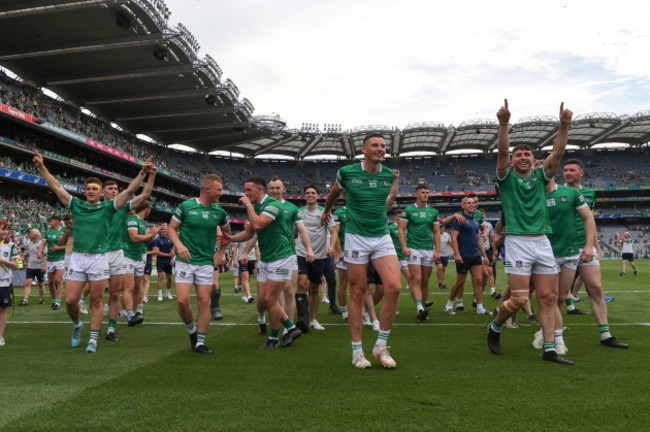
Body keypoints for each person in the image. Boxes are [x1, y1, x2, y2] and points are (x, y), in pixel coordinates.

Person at [33, 151, 156, 354]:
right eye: (88, 188)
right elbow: (56, 186)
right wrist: (41, 167)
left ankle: (93, 339)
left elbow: (131, 191)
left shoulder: (110, 207)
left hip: (99, 258)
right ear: (85, 191)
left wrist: (143, 172)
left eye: (94, 189)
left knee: (97, 300)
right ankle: (77, 325)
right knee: (71, 301)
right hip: (79, 258)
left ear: (100, 193)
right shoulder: (77, 205)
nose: (91, 191)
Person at [485, 99, 574, 365]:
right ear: (513, 161)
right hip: (518, 242)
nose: (523, 157)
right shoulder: (506, 178)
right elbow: (501, 153)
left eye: (527, 155)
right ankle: (495, 326)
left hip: (542, 242)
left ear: (534, 161)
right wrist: (503, 125)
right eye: (518, 155)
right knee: (519, 298)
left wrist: (564, 127)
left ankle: (549, 350)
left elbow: (556, 155)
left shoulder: (541, 177)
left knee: (548, 297)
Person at [321, 132, 401, 369]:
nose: (380, 149)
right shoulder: (347, 172)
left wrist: (394, 188)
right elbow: (335, 192)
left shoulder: (388, 175)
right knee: (357, 291)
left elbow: (386, 204)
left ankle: (381, 346)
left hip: (381, 235)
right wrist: (327, 210)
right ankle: (357, 351)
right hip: (356, 237)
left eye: (383, 146)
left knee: (394, 287)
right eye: (375, 145)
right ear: (364, 150)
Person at [556, 159, 628, 349]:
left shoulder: (589, 193)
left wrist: (594, 246)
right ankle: (549, 331)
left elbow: (590, 222)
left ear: (581, 173)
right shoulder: (556, 192)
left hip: (585, 247)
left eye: (572, 170)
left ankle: (606, 335)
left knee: (596, 288)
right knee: (560, 295)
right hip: (564, 247)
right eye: (565, 170)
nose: (567, 173)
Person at [227, 176, 302, 349]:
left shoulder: (273, 205)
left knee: (270, 299)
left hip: (281, 258)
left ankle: (274, 338)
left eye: (248, 191)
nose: (245, 194)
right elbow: (249, 233)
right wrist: (229, 238)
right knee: (262, 299)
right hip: (266, 259)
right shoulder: (256, 207)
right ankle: (291, 327)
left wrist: (247, 205)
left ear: (260, 190)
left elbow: (259, 225)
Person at [168, 174, 231, 355]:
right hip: (185, 261)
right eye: (219, 189)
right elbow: (172, 228)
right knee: (182, 300)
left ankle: (200, 343)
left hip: (205, 262)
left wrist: (220, 252)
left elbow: (227, 233)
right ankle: (191, 330)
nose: (221, 193)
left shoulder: (219, 212)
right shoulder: (186, 206)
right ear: (207, 189)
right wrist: (179, 246)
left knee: (204, 301)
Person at [102, 174, 156, 343]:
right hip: (97, 253)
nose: (113, 191)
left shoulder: (124, 207)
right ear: (102, 192)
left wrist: (151, 174)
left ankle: (115, 326)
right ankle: (82, 318)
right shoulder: (96, 207)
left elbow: (145, 193)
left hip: (118, 253)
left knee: (117, 292)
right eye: (110, 188)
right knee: (94, 294)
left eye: (115, 189)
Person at [295, 185, 337, 331]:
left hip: (319, 256)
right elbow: (292, 231)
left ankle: (313, 319)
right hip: (301, 253)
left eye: (313, 192)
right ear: (304, 196)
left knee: (314, 289)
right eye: (307, 193)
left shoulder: (325, 213)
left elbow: (333, 231)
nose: (310, 195)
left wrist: (332, 246)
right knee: (301, 283)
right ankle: (302, 319)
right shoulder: (299, 212)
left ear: (317, 196)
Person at [398, 185, 440, 321]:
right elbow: (401, 230)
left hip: (428, 249)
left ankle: (422, 308)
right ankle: (419, 308)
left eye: (427, 192)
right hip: (413, 248)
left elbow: (436, 232)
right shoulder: (409, 210)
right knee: (416, 279)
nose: (426, 194)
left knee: (425, 281)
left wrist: (437, 251)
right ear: (417, 194)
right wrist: (404, 247)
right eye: (423, 192)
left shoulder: (433, 212)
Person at [444, 196, 490, 315]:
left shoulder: (475, 220)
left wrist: (484, 255)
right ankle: (449, 304)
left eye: (473, 203)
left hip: (475, 255)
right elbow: (454, 237)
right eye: (468, 203)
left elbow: (478, 239)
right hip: (463, 255)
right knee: (460, 282)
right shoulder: (459, 219)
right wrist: (457, 254)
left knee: (479, 280)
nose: (472, 205)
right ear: (463, 206)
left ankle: (479, 307)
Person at [122, 201, 160, 333]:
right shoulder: (133, 219)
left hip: (139, 257)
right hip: (128, 256)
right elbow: (134, 238)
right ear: (147, 209)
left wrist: (153, 234)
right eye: (150, 209)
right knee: (129, 287)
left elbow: (146, 240)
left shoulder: (142, 223)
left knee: (138, 288)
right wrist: (150, 234)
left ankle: (137, 312)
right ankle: (129, 315)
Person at [0, 219, 19, 347]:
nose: (5, 232)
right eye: (2, 229)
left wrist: (2, 261)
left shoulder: (10, 245)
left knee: (2, 308)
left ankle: (0, 336)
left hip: (4, 282)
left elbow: (16, 265)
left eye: (6, 229)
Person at [42, 215, 66, 309]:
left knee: (58, 280)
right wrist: (40, 251)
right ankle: (54, 300)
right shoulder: (47, 232)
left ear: (57, 221)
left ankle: (57, 302)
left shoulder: (64, 231)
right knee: (51, 282)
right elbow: (43, 243)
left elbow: (70, 246)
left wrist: (58, 248)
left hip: (61, 258)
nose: (49, 222)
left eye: (51, 221)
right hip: (50, 259)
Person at [18, 229, 46, 306]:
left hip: (40, 267)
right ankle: (25, 300)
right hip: (31, 267)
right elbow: (28, 255)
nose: (29, 235)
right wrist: (27, 265)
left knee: (41, 283)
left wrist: (44, 265)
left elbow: (46, 255)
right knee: (28, 282)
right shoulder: (30, 243)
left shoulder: (42, 244)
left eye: (31, 234)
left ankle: (42, 299)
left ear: (36, 235)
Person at [152, 224, 175, 301]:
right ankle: (160, 295)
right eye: (163, 230)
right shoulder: (157, 240)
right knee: (160, 277)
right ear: (160, 231)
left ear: (167, 231)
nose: (164, 231)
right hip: (160, 261)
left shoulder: (169, 239)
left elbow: (173, 250)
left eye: (165, 230)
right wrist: (168, 254)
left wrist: (172, 259)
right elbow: (157, 252)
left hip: (168, 262)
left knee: (169, 279)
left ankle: (168, 293)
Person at [436, 224, 453, 290]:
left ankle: (443, 284)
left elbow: (450, 243)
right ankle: (439, 283)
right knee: (440, 267)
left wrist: (456, 251)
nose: (441, 228)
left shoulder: (447, 235)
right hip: (438, 254)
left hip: (445, 254)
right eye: (440, 227)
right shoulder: (434, 234)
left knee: (443, 269)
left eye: (442, 227)